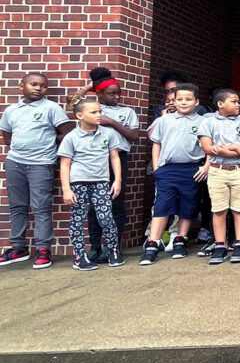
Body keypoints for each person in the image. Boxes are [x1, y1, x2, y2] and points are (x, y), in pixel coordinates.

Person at [0, 73, 74, 268]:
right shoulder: (12, 110)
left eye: (42, 86)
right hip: (15, 163)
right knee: (17, 207)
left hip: (41, 164)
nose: (38, 88)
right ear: (21, 86)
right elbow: (7, 135)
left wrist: (47, 145)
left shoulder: (51, 108)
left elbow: (66, 132)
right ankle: (18, 248)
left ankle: (43, 249)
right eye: (33, 84)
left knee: (41, 208)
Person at [67, 68, 139, 264]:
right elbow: (71, 102)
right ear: (99, 94)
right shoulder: (93, 108)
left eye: (118, 93)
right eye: (111, 93)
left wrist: (111, 122)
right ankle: (95, 247)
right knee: (93, 207)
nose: (116, 96)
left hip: (118, 159)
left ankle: (113, 248)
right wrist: (90, 86)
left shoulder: (127, 111)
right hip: (95, 161)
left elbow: (133, 136)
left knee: (115, 203)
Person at [140, 83, 208, 265]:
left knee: (188, 206)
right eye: (180, 99)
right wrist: (157, 167)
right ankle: (153, 243)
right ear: (173, 101)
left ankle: (180, 240)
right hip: (167, 169)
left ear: (197, 102)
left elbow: (209, 147)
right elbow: (157, 144)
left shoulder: (203, 122)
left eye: (188, 99)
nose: (184, 103)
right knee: (162, 205)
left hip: (192, 169)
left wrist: (206, 166)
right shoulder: (164, 120)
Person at [58, 100, 123, 270]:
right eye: (93, 112)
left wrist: (117, 180)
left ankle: (113, 251)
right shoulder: (71, 137)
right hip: (78, 182)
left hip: (101, 182)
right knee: (78, 219)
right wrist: (66, 189)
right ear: (80, 115)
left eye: (99, 111)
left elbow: (114, 157)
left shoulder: (108, 134)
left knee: (106, 217)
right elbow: (65, 164)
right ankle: (80, 256)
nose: (99, 115)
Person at [197, 89, 240, 265]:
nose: (238, 104)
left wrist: (222, 149)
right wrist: (235, 149)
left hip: (239, 170)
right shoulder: (208, 122)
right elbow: (207, 148)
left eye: (238, 102)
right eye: (234, 101)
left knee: (239, 208)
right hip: (217, 171)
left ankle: (239, 244)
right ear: (220, 104)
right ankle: (220, 245)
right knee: (219, 209)